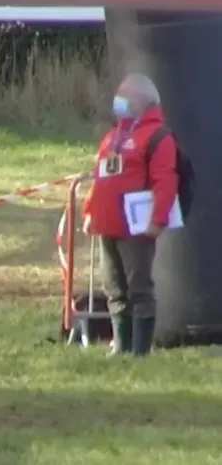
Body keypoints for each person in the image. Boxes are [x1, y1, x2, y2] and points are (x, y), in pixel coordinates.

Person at [81, 73, 178, 357]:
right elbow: (101, 179)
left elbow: (165, 180)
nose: (119, 101)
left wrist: (157, 220)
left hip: (135, 229)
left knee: (139, 289)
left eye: (125, 96)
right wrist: (89, 212)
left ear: (143, 102)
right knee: (113, 288)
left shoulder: (158, 137)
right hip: (107, 224)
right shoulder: (113, 137)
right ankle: (121, 348)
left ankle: (140, 352)